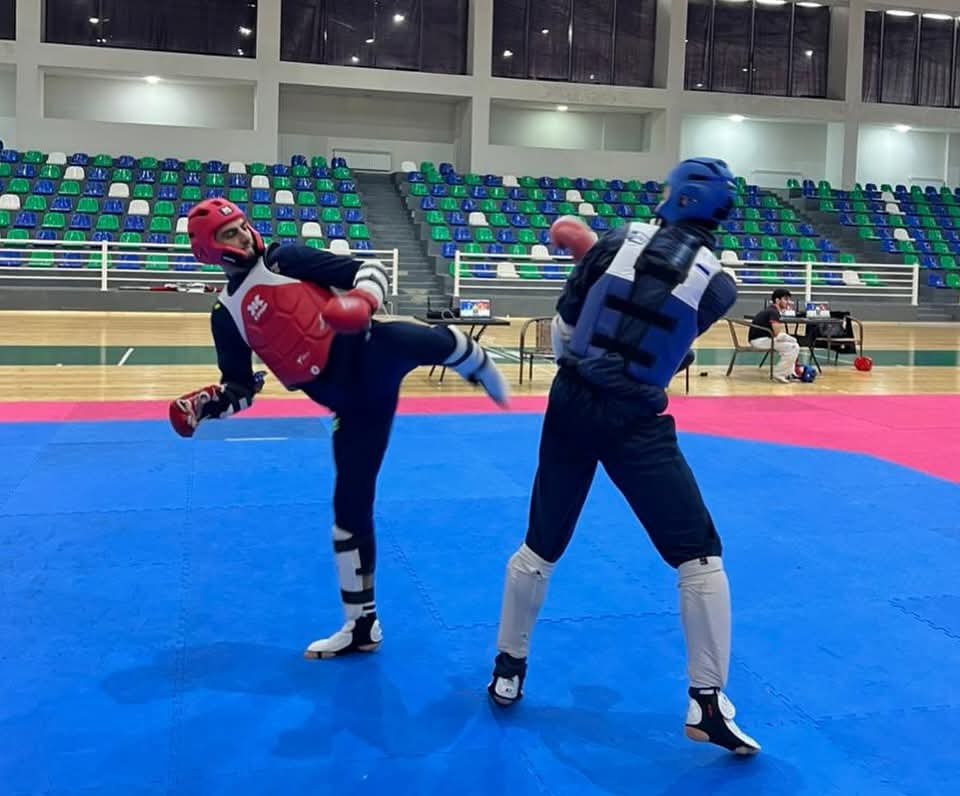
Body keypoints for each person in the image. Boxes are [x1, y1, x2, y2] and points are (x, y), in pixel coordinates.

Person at [486, 158, 761, 756]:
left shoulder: (614, 240)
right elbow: (670, 345)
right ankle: (706, 700)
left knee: (541, 545)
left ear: (672, 197)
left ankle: (508, 669)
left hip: (571, 403)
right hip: (634, 418)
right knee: (699, 556)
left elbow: (565, 331)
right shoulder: (720, 285)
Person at [169, 198, 509, 659]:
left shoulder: (285, 259)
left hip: (367, 354)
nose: (244, 236)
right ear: (209, 250)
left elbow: (369, 270)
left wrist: (362, 300)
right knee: (349, 512)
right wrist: (207, 405)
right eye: (230, 233)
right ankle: (362, 626)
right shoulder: (224, 314)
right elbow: (242, 390)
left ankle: (469, 355)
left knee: (406, 340)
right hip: (349, 407)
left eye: (243, 226)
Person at [748, 288, 800, 383]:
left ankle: (789, 373)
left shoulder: (771, 310)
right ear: (777, 300)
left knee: (794, 346)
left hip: (763, 339)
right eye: (785, 299)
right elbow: (778, 334)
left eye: (789, 299)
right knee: (792, 347)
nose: (788, 302)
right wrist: (791, 338)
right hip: (759, 341)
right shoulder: (773, 312)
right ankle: (778, 374)